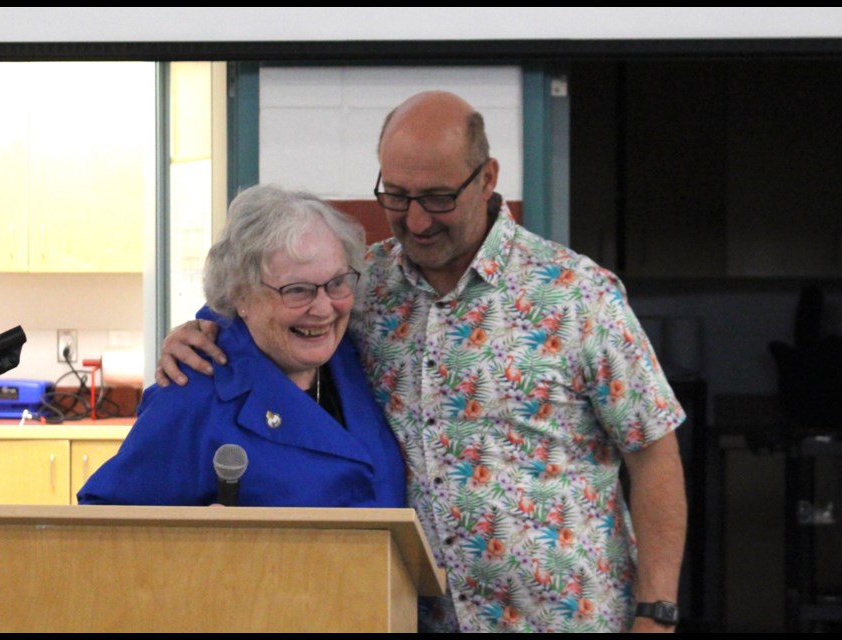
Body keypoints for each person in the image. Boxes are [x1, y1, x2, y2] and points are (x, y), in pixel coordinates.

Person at [155, 91, 687, 633]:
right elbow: (267, 309)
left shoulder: (576, 295)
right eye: (396, 195)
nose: (416, 220)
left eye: (437, 198)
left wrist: (657, 613)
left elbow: (654, 452)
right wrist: (194, 332)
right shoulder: (363, 286)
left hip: (568, 619)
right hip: (417, 619)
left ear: (486, 179)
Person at [78, 184, 405, 508]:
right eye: (297, 290)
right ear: (240, 294)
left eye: (336, 283)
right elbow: (105, 526)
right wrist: (200, 546)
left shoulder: (351, 356)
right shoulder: (192, 394)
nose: (322, 308)